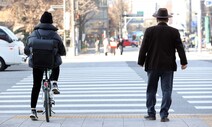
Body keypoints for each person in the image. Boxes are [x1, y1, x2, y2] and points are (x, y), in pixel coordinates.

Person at [137, 8, 188, 122]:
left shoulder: (149, 31)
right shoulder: (174, 32)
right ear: (167, 19)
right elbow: (180, 48)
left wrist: (141, 61)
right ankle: (164, 115)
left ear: (157, 18)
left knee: (151, 90)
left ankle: (151, 114)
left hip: (152, 65)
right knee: (166, 90)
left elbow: (143, 48)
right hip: (168, 66)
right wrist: (183, 62)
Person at [24, 11, 66, 120]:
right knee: (57, 59)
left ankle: (33, 110)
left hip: (37, 63)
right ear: (51, 22)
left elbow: (26, 50)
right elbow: (62, 51)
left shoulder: (34, 34)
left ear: (41, 21)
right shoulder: (55, 35)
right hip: (51, 63)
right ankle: (54, 82)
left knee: (36, 85)